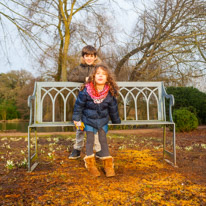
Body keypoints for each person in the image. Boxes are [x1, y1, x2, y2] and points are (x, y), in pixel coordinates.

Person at [72, 64, 121, 177]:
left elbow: (113, 108)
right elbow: (78, 106)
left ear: (108, 78)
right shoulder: (86, 90)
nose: (100, 76)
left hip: (102, 120)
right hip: (88, 120)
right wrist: (76, 119)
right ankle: (90, 164)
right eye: (98, 74)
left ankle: (108, 165)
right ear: (93, 76)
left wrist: (116, 120)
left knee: (103, 139)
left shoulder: (110, 92)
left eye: (103, 74)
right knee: (89, 139)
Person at [68, 45, 102, 159]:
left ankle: (98, 149)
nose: (89, 58)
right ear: (83, 57)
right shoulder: (78, 69)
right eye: (86, 56)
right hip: (82, 101)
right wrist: (84, 79)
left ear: (95, 57)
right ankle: (77, 148)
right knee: (80, 126)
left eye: (91, 56)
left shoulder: (99, 68)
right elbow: (70, 78)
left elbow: (105, 78)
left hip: (95, 101)